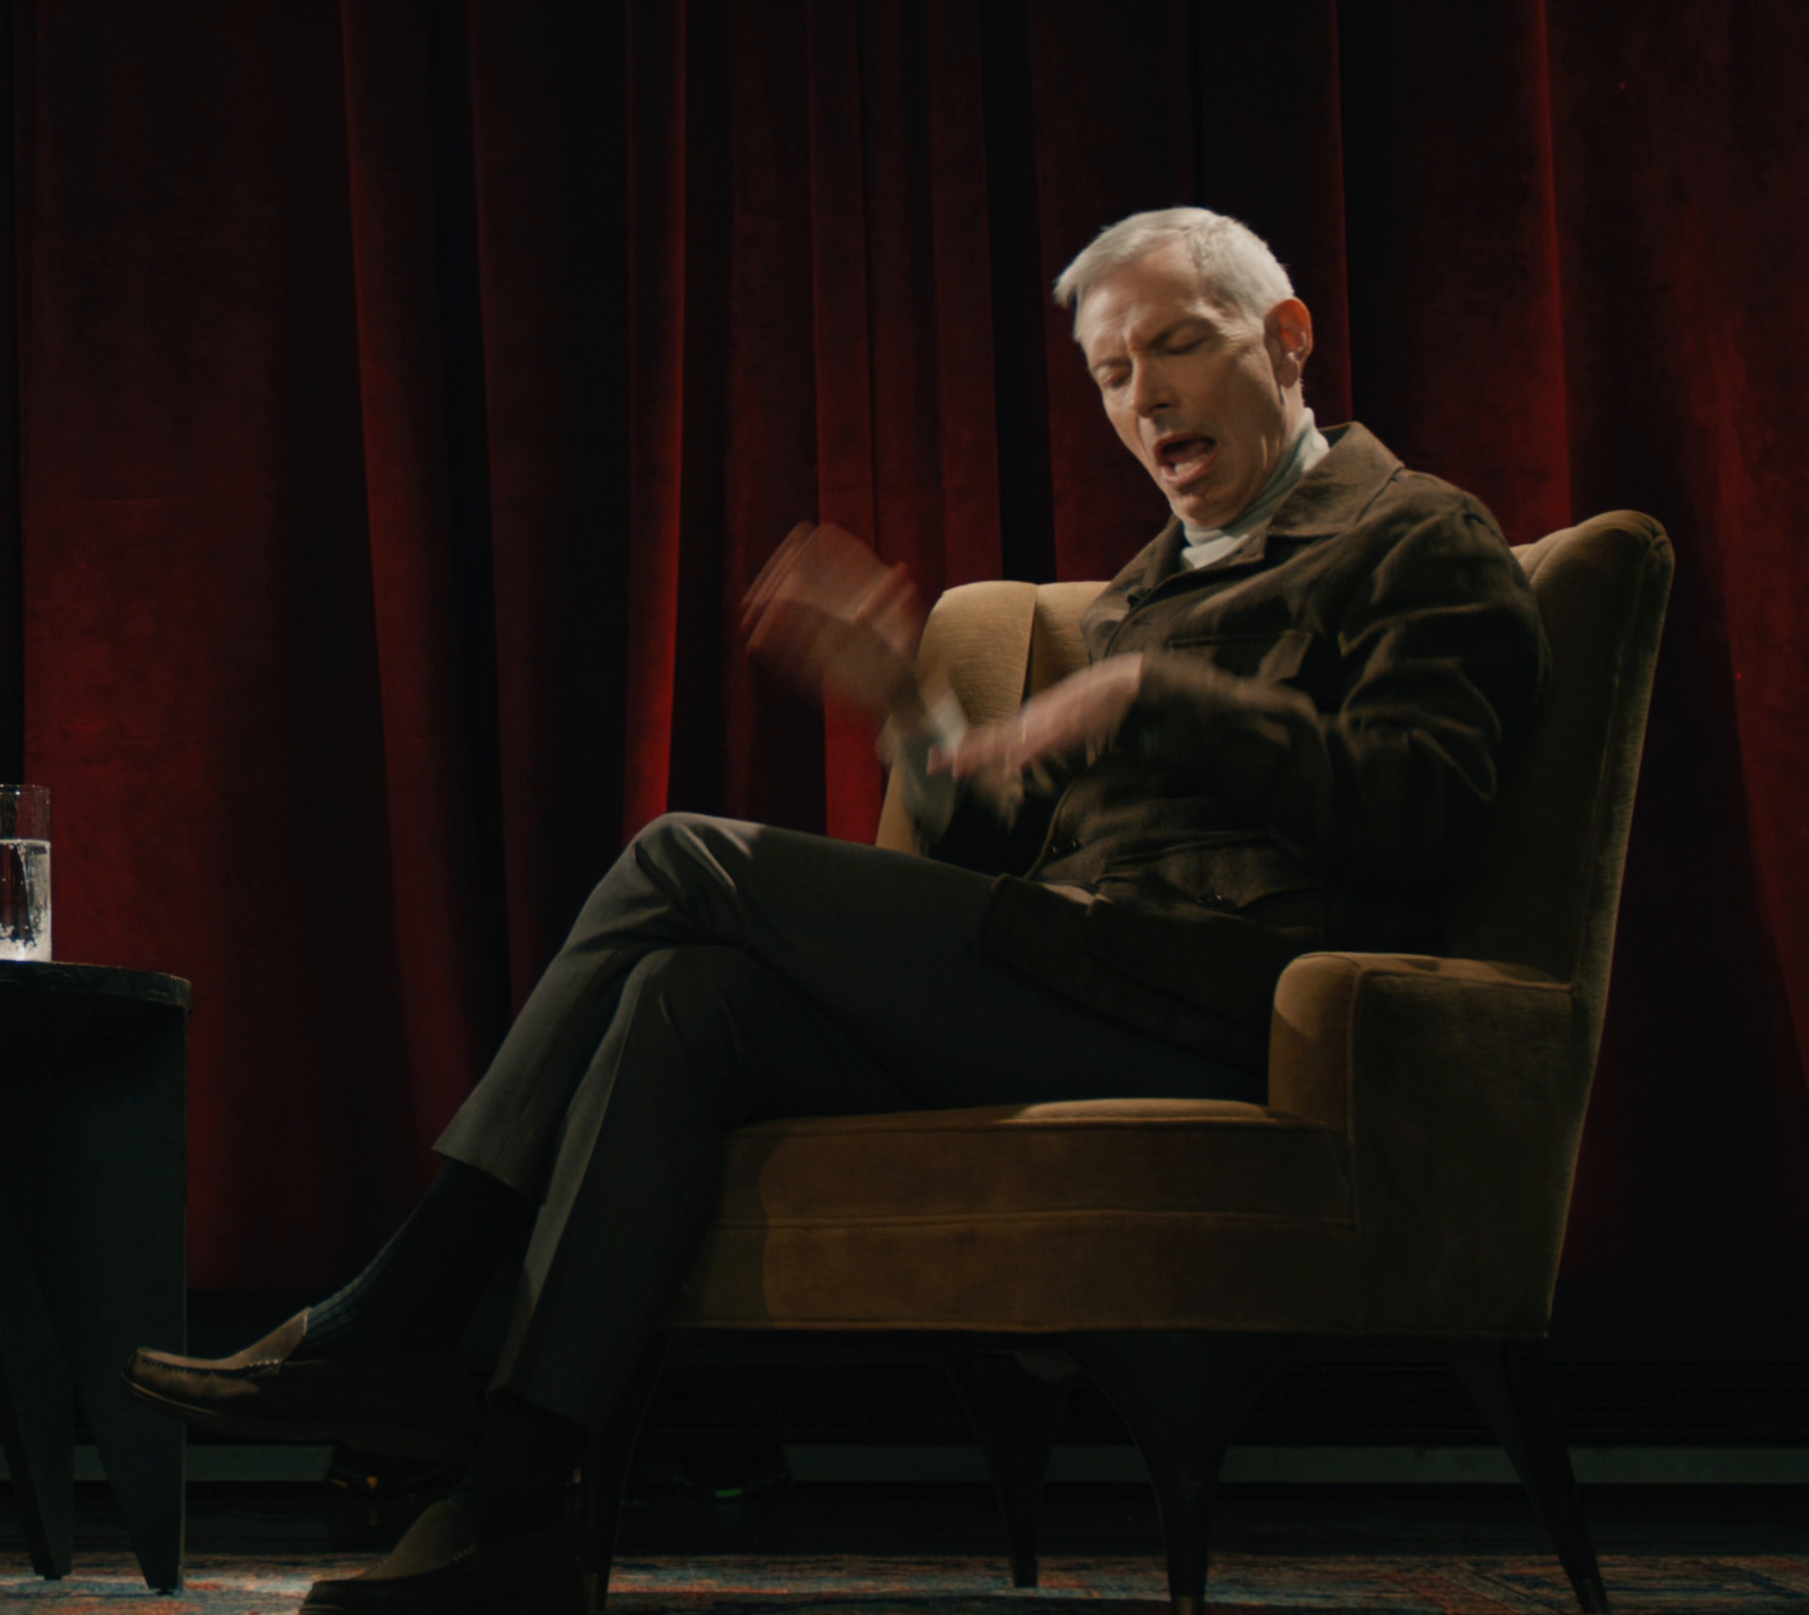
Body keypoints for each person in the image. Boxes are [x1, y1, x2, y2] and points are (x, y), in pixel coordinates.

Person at [125, 207, 1548, 1613]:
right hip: (1080, 977)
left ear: (1287, 339)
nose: (1146, 400)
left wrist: (1158, 697)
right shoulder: (1140, 593)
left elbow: (1421, 811)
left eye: (1178, 346)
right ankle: (514, 1504)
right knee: (686, 1002)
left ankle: (406, 1311)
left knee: (681, 858)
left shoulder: (1416, 535)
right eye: (1114, 373)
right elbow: (1011, 857)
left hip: (1237, 1013)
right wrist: (912, 714)